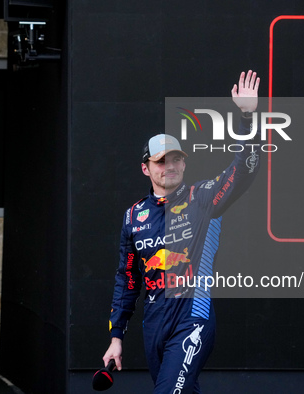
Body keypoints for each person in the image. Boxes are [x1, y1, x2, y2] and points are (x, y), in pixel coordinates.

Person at [103, 70, 261, 393]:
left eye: (176, 159)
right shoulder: (134, 216)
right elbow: (126, 279)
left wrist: (247, 117)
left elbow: (243, 171)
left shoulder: (201, 198)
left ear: (184, 165)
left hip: (193, 321)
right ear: (146, 168)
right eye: (161, 161)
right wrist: (116, 337)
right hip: (154, 326)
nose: (170, 166)